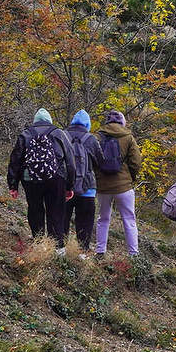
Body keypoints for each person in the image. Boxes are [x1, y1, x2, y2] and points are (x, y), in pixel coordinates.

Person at [6, 108, 77, 251]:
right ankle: (58, 250)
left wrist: (13, 184)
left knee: (35, 210)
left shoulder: (26, 134)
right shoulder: (59, 134)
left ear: (35, 121)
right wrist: (69, 186)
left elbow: (15, 160)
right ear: (50, 121)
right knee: (56, 212)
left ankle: (39, 245)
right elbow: (70, 161)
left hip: (30, 179)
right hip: (56, 179)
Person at [94, 110, 142, 258]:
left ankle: (100, 251)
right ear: (122, 122)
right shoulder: (128, 137)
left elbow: (92, 159)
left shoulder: (97, 136)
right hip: (124, 187)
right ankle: (133, 254)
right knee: (129, 219)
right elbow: (136, 162)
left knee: (103, 219)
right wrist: (131, 178)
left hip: (102, 186)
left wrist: (97, 176)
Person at [64, 109, 101, 253]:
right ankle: (82, 252)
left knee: (62, 220)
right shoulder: (91, 139)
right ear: (88, 124)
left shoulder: (63, 135)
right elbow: (100, 162)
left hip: (65, 189)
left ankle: (60, 250)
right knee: (85, 223)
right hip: (87, 189)